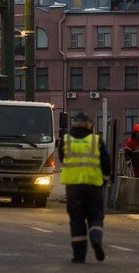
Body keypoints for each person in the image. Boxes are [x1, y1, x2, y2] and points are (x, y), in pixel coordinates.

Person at [58, 112, 111, 264]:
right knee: (95, 216)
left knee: (77, 220)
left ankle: (79, 256)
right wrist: (103, 182)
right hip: (93, 186)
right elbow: (106, 164)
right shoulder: (96, 141)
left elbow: (62, 159)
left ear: (73, 124)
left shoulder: (66, 140)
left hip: (74, 187)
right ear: (89, 125)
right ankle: (95, 238)